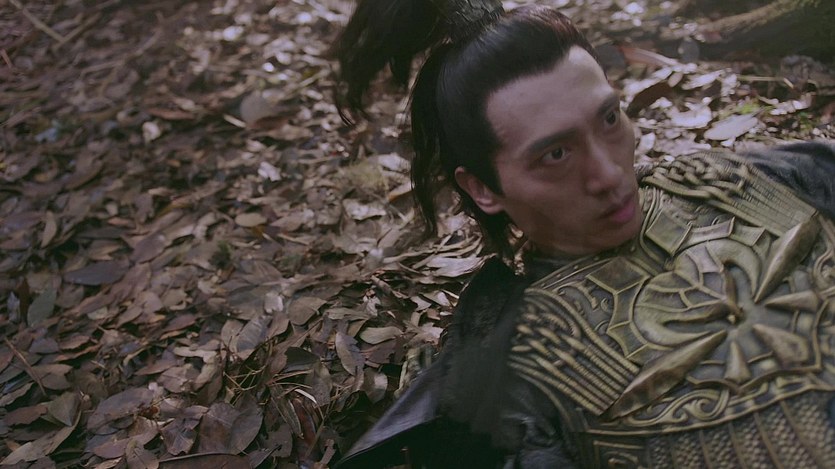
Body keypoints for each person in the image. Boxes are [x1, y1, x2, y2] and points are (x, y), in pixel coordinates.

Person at [332, 0, 835, 467]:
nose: (609, 175)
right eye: (556, 154)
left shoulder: (733, 181)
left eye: (609, 119)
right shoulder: (513, 372)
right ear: (482, 188)